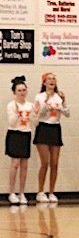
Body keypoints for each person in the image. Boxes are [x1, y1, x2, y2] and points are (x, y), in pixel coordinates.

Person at [34, 72, 69, 203]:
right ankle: (40, 192)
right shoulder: (39, 96)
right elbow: (39, 113)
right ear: (44, 82)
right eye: (49, 79)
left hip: (55, 128)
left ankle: (52, 192)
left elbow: (67, 113)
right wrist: (47, 101)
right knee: (45, 162)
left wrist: (64, 102)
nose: (52, 81)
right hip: (43, 128)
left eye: (54, 78)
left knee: (55, 163)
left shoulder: (59, 96)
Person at [6, 76, 35, 205]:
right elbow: (12, 123)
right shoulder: (11, 105)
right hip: (14, 134)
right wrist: (17, 114)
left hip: (26, 134)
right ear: (14, 92)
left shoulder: (30, 105)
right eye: (19, 90)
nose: (22, 92)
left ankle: (21, 193)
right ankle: (12, 192)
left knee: (24, 165)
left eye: (24, 90)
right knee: (15, 164)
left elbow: (35, 122)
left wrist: (37, 113)